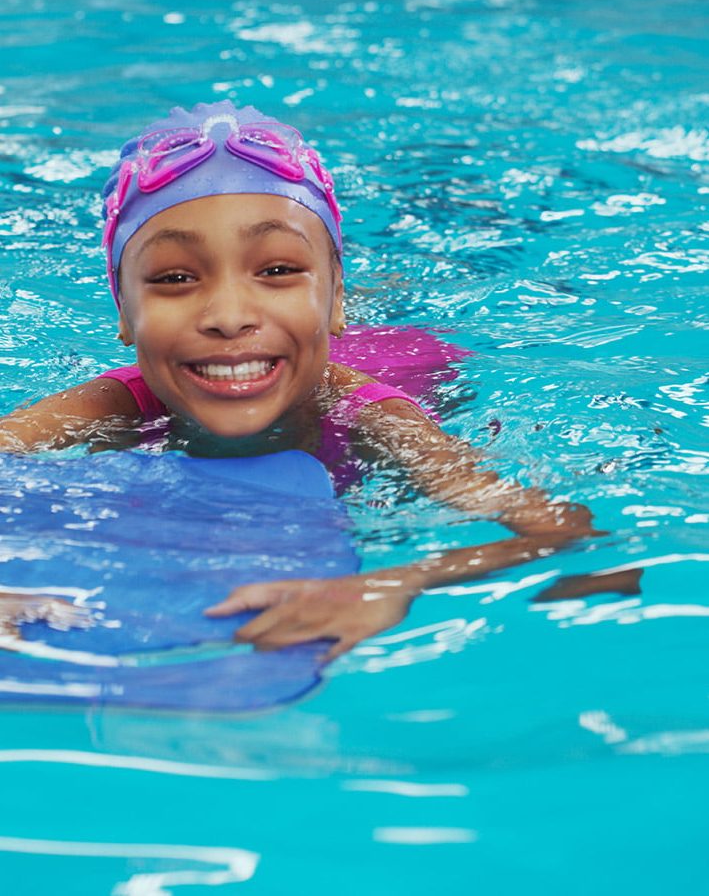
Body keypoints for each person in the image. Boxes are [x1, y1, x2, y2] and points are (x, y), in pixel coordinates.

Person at [0, 101, 606, 660]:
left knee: (449, 263)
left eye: (278, 269)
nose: (228, 316)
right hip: (295, 344)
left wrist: (395, 580)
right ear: (124, 313)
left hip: (402, 352)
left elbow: (562, 526)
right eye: (176, 279)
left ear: (334, 298)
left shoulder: (374, 419)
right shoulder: (115, 403)